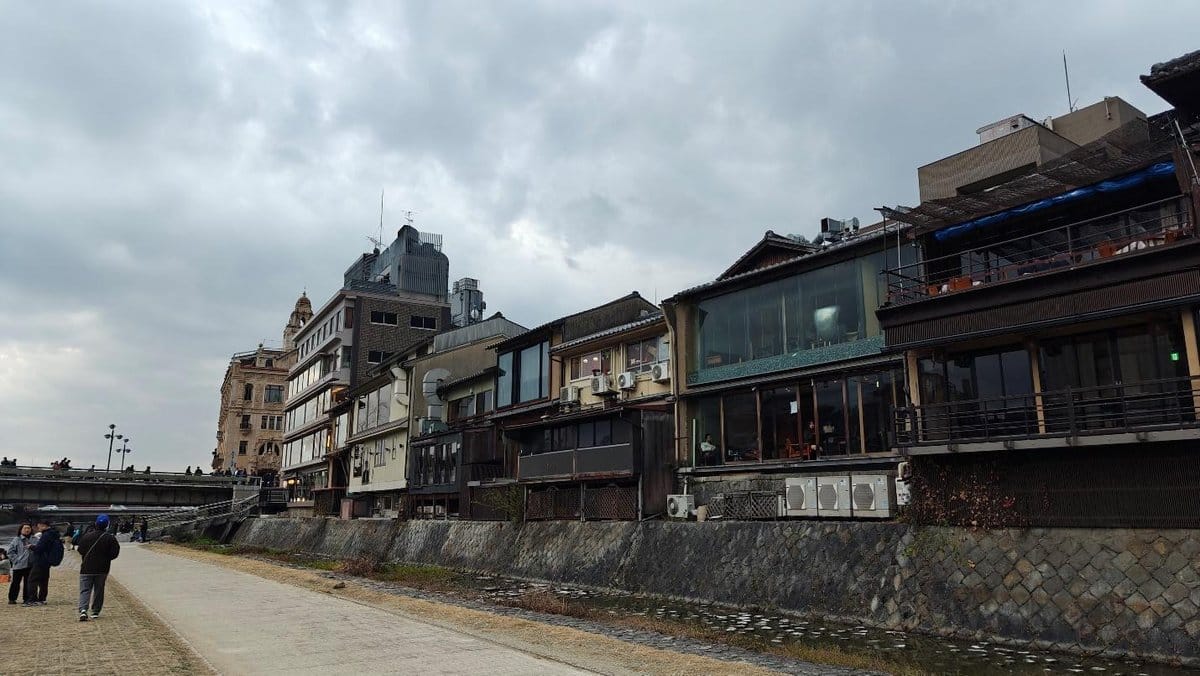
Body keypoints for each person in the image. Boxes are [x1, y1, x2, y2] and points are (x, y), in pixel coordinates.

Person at [75, 514, 120, 621]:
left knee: (85, 590)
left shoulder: (87, 536)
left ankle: (83, 610)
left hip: (86, 568)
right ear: (107, 525)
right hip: (102, 568)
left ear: (96, 523)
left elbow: (80, 550)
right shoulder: (110, 538)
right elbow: (114, 553)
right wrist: (106, 558)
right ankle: (95, 611)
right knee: (99, 590)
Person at [26, 519, 62, 606]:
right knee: (44, 581)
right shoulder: (54, 534)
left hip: (41, 561)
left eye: (38, 526)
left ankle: (32, 599)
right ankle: (42, 599)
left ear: (43, 525)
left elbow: (40, 548)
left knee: (32, 580)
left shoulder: (46, 535)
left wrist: (31, 546)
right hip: (48, 561)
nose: (38, 528)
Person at [6, 524, 32, 604]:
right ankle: (12, 599)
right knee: (16, 582)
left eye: (28, 528)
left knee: (28, 582)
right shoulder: (16, 539)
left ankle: (27, 598)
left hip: (30, 564)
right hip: (19, 565)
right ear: (21, 530)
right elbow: (10, 552)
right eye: (25, 528)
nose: (27, 530)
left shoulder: (34, 539)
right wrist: (16, 560)